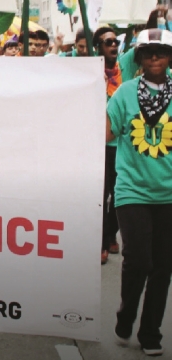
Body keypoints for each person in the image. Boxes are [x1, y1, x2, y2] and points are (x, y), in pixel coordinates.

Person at [107, 28, 172, 357]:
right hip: (132, 191)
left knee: (163, 266)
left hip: (170, 196)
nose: (155, 58)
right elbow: (106, 132)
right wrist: (93, 93)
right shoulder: (125, 93)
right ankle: (126, 314)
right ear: (139, 57)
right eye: (148, 52)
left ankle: (151, 331)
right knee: (139, 261)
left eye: (161, 51)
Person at [95, 26, 128, 264]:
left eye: (116, 41)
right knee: (101, 193)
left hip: (122, 143)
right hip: (98, 143)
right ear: (98, 47)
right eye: (108, 42)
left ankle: (110, 233)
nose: (113, 46)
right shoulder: (90, 72)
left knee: (119, 193)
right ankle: (102, 241)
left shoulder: (125, 69)